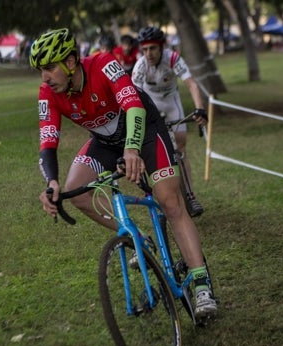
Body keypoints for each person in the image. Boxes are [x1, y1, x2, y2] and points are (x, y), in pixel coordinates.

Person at [30, 28, 216, 319]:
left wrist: (132, 149)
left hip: (145, 130)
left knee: (170, 202)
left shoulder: (104, 63)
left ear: (69, 61)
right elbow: (47, 140)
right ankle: (138, 237)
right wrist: (50, 181)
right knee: (75, 190)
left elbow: (134, 106)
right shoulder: (48, 93)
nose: (44, 77)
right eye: (40, 70)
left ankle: (202, 282)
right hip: (105, 142)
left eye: (49, 68)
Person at [131, 26, 207, 217]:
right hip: (151, 104)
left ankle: (190, 196)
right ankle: (160, 197)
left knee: (180, 148)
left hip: (172, 102)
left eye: (153, 49)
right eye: (145, 49)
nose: (148, 53)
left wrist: (200, 108)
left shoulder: (172, 58)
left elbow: (191, 84)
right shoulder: (140, 66)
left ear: (161, 47)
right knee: (153, 150)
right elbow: (132, 97)